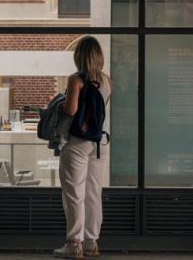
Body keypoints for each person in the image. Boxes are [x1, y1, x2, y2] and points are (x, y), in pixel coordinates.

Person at [54, 36, 111, 259]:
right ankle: (91, 243)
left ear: (79, 56)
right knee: (93, 193)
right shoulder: (107, 80)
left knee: (74, 193)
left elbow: (71, 111)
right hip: (99, 143)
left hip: (78, 142)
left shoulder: (76, 79)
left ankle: (73, 244)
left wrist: (60, 102)